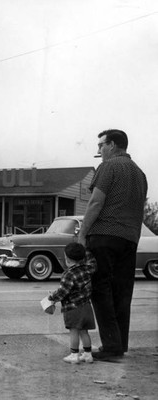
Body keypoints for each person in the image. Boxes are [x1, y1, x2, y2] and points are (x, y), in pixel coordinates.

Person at [78, 129, 148, 361]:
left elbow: (96, 202)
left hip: (104, 236)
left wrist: (82, 234)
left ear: (114, 145)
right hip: (129, 239)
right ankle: (119, 345)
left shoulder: (108, 167)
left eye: (101, 145)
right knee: (122, 292)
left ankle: (110, 346)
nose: (99, 151)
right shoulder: (140, 174)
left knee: (100, 288)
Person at [48, 243, 97, 364]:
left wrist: (51, 297)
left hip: (73, 308)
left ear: (67, 258)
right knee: (84, 332)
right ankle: (88, 354)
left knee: (74, 331)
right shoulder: (88, 269)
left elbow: (63, 292)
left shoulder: (68, 274)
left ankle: (74, 355)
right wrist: (85, 249)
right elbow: (93, 262)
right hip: (86, 306)